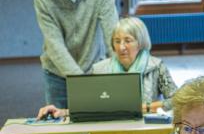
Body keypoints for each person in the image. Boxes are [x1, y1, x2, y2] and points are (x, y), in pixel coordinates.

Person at [37, 16, 178, 120]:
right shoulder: (99, 69)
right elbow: (88, 106)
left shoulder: (156, 66)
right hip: (110, 131)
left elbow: (177, 100)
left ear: (140, 43)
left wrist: (146, 108)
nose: (121, 47)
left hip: (145, 131)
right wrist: (62, 112)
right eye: (117, 41)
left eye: (128, 41)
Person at [34, 0, 118, 109]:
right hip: (57, 73)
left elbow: (112, 33)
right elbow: (54, 44)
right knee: (61, 128)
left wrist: (119, 72)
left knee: (99, 121)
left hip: (95, 67)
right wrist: (81, 83)